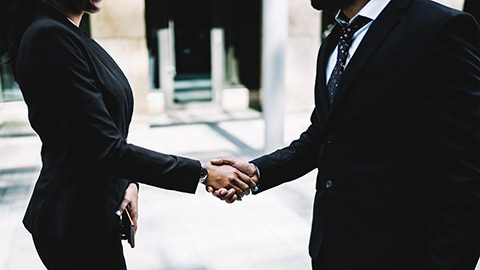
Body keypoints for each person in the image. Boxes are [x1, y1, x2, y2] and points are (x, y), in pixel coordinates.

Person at [210, 0, 480, 269]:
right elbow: (323, 135)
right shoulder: (333, 41)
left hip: (401, 253)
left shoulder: (439, 28)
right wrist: (257, 172)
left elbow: (468, 169)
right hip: (330, 249)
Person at [0, 0, 256, 269]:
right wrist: (202, 173)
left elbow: (99, 135)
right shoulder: (49, 37)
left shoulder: (68, 33)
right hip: (73, 224)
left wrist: (128, 183)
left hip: (92, 217)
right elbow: (105, 147)